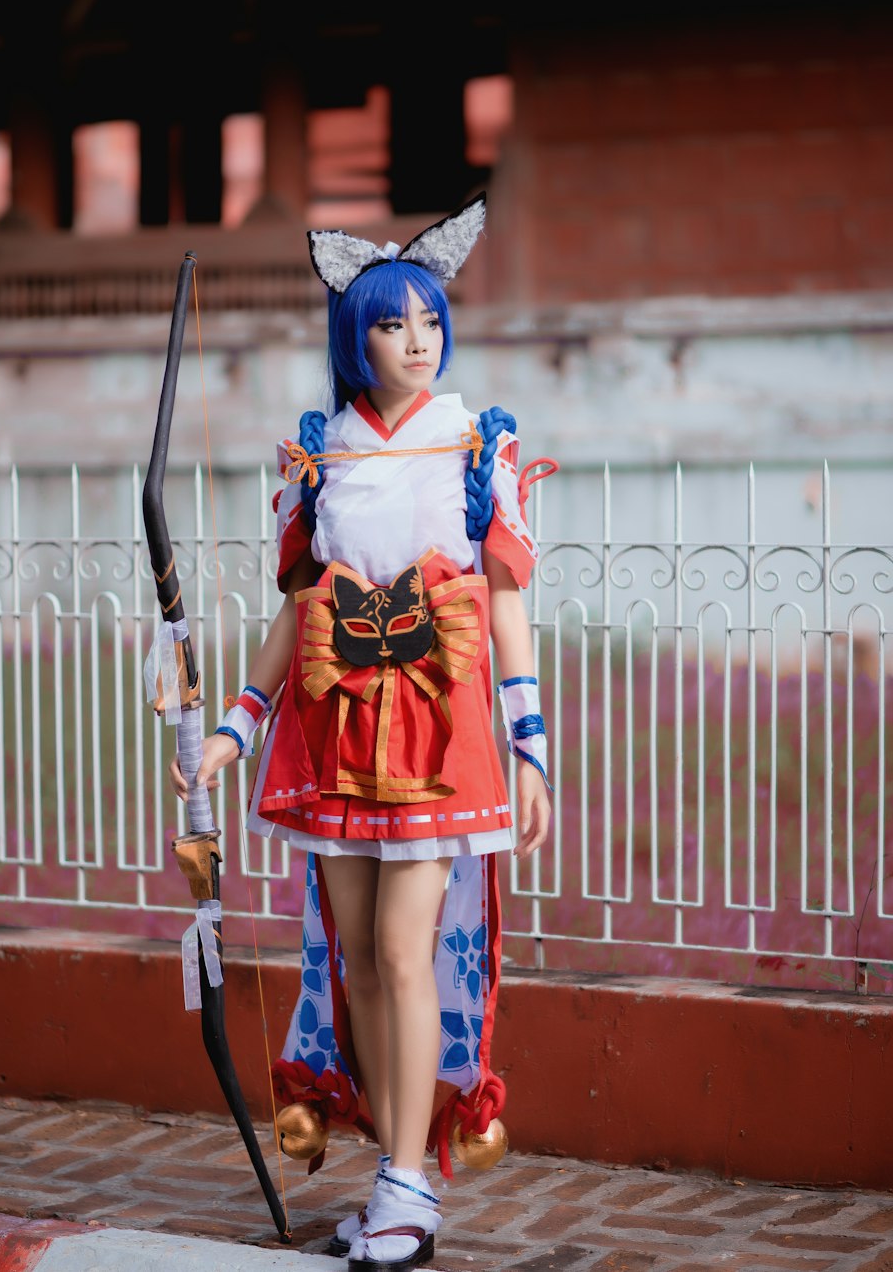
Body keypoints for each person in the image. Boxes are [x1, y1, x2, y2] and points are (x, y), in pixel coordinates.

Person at [170, 193, 553, 1270]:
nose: (416, 341)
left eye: (429, 319)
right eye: (391, 324)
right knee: (360, 966)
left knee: (402, 947)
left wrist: (530, 748)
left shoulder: (476, 443)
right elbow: (297, 614)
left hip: (437, 733)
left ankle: (410, 1180)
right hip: (334, 731)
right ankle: (394, 1170)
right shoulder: (320, 456)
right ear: (355, 335)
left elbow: (508, 605)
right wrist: (234, 732)